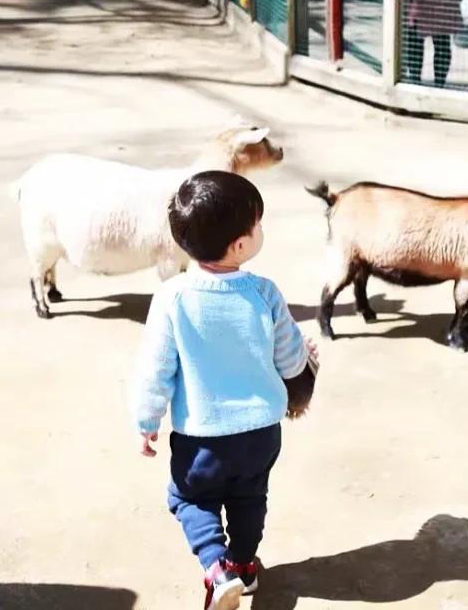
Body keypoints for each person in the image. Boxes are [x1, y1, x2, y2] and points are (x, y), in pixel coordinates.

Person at [132, 170, 317, 610]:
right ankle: (245, 565)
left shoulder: (172, 297)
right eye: (257, 224)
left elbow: (155, 368)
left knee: (190, 498)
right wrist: (307, 360)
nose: (260, 231)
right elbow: (291, 360)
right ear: (239, 245)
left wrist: (146, 421)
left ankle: (217, 570)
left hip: (202, 437)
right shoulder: (264, 293)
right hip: (260, 434)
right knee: (250, 497)